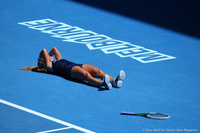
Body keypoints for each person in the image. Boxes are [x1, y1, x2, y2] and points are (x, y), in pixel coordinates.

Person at [29, 47, 125, 89]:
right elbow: (44, 50)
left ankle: (114, 82)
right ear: (43, 62)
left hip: (77, 65)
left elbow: (54, 49)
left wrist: (49, 57)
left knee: (98, 72)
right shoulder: (49, 66)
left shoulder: (57, 60)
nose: (50, 56)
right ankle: (102, 83)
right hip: (69, 71)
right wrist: (42, 60)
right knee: (87, 76)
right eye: (47, 57)